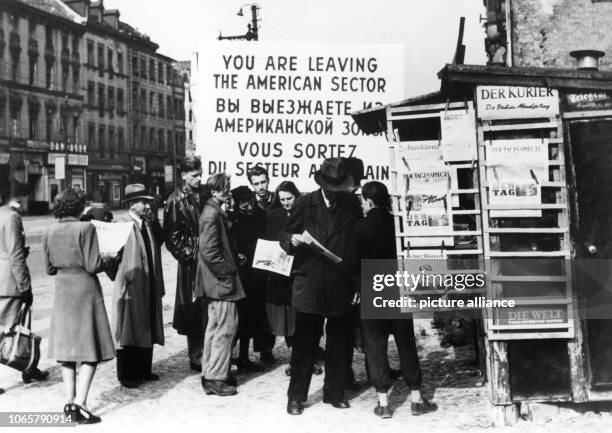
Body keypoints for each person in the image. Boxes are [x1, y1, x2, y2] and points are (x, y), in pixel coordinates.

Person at [280, 158, 362, 415]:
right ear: (323, 185)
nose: (335, 193)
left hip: (340, 283)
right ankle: (296, 397)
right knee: (304, 344)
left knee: (340, 342)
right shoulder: (305, 203)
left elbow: (357, 245)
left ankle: (334, 392)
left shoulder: (351, 204)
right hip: (311, 284)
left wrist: (358, 282)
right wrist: (292, 240)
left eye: (339, 188)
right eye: (331, 188)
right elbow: (284, 234)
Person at [355, 181, 437, 418]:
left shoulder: (358, 228)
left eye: (362, 200)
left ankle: (383, 404)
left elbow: (352, 264)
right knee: (406, 344)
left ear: (368, 201)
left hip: (371, 289)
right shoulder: (399, 224)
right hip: (398, 288)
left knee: (376, 347)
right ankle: (416, 399)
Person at [43, 188, 116, 424]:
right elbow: (94, 265)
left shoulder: (48, 230)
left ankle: (68, 400)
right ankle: (81, 403)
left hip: (63, 290)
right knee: (89, 348)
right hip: (85, 289)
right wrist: (110, 258)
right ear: (78, 207)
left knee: (67, 351)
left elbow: (49, 269)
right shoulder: (86, 228)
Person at [195, 173, 245, 396]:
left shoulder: (213, 210)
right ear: (214, 191)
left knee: (215, 328)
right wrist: (229, 271)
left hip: (215, 283)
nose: (228, 191)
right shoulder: (212, 213)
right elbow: (208, 252)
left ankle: (211, 373)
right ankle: (216, 378)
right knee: (225, 329)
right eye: (224, 188)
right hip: (221, 283)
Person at [112, 184, 165, 388]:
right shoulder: (123, 224)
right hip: (131, 284)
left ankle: (144, 369)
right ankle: (127, 374)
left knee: (147, 324)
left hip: (149, 281)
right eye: (144, 201)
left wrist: (155, 220)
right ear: (132, 204)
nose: (147, 205)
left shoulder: (147, 224)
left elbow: (159, 243)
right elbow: (113, 255)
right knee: (129, 328)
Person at [0, 185, 49, 393]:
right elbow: (15, 254)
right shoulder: (10, 217)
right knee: (14, 330)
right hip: (8, 282)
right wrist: (25, 286)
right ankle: (28, 366)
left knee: (13, 328)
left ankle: (30, 367)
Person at [163, 156, 209, 372]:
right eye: (194, 176)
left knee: (209, 306)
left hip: (209, 258)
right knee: (193, 309)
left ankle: (209, 354)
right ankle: (196, 356)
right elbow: (171, 237)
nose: (199, 179)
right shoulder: (176, 200)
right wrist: (192, 253)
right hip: (192, 263)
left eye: (200, 174)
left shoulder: (205, 194)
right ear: (183, 176)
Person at [231, 186, 269, 369]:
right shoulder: (231, 219)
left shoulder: (262, 216)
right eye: (243, 203)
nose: (248, 206)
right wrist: (236, 254)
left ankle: (244, 356)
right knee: (237, 318)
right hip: (240, 275)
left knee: (252, 317)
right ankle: (227, 357)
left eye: (250, 201)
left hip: (258, 274)